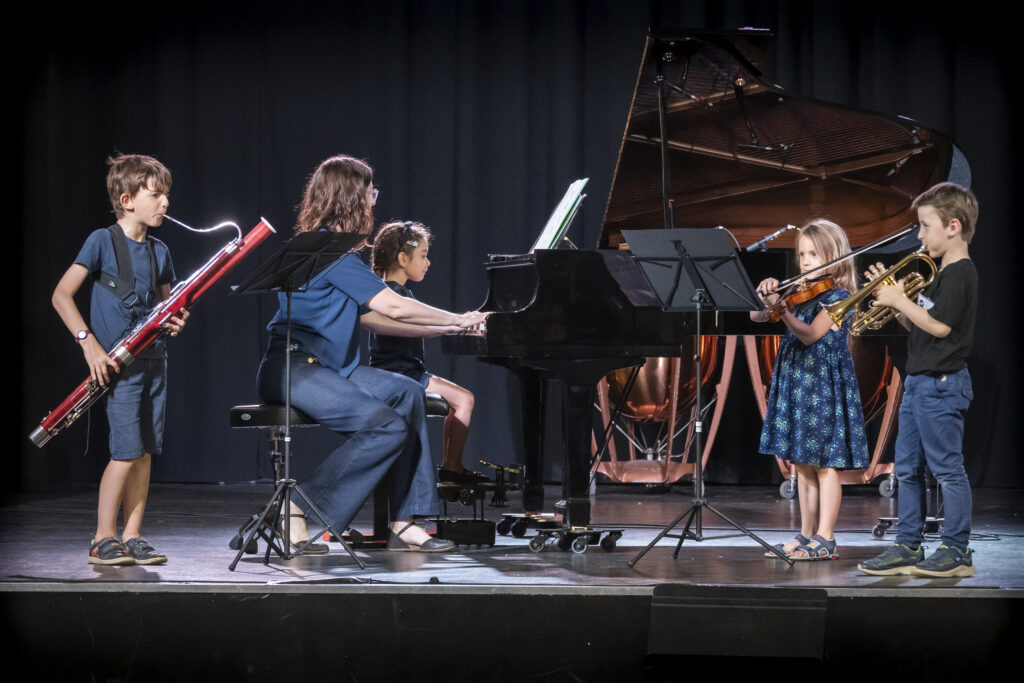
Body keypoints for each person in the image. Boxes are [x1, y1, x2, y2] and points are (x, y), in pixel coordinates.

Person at [256, 155, 487, 553]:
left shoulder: (339, 256)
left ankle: (404, 520)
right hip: (294, 367)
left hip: (332, 368)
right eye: (369, 193)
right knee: (386, 426)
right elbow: (394, 306)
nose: (373, 201)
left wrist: (449, 326)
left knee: (407, 393)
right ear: (350, 198)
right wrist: (462, 318)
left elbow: (375, 319)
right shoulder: (328, 254)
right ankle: (296, 507)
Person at [51, 154, 188, 566]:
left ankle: (132, 536)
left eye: (167, 194)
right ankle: (101, 538)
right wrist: (88, 344)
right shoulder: (101, 241)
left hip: (154, 363)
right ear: (127, 199)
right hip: (117, 367)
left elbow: (168, 308)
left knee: (144, 451)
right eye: (156, 194)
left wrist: (179, 321)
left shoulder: (161, 251)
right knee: (125, 451)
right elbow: (61, 295)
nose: (165, 202)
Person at [858, 182, 979, 577]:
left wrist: (900, 299)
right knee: (906, 468)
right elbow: (920, 324)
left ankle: (957, 551)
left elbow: (942, 327)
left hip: (943, 385)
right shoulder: (939, 275)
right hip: (919, 383)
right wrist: (894, 301)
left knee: (947, 470)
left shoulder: (961, 272)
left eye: (925, 226)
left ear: (953, 227)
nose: (920, 235)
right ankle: (908, 546)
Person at [751, 219, 869, 561]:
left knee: (825, 465)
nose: (805, 262)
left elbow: (811, 334)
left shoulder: (840, 296)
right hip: (798, 381)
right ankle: (805, 535)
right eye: (801, 254)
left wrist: (784, 311)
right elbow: (756, 316)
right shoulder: (797, 292)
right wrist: (766, 297)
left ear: (833, 257)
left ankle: (826, 538)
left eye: (813, 254)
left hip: (823, 384)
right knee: (801, 462)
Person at [368, 220, 483, 484]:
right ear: (401, 258)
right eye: (423, 255)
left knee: (463, 399)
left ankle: (451, 467)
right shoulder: (395, 296)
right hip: (401, 374)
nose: (428, 262)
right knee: (464, 400)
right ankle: (452, 467)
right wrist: (462, 322)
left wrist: (460, 325)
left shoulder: (391, 292)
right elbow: (423, 326)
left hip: (407, 371)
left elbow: (426, 326)